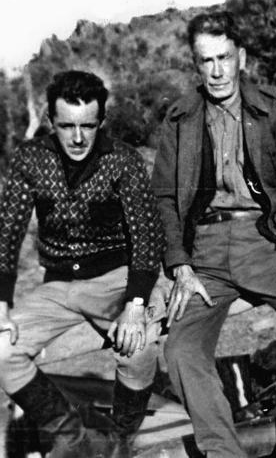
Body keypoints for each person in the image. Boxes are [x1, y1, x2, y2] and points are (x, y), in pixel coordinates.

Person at [151, 11, 276, 458]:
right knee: (181, 351)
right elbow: (163, 198)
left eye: (224, 57)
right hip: (204, 251)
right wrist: (179, 266)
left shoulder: (274, 109)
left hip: (266, 241)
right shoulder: (180, 119)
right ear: (195, 65)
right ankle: (224, 452)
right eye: (206, 61)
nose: (216, 71)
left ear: (241, 57)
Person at [0, 70, 165, 457]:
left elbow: (146, 236)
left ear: (101, 122)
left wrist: (135, 305)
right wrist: (1, 303)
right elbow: (7, 234)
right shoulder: (31, 158)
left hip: (115, 279)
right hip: (56, 286)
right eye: (66, 126)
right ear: (51, 121)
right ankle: (71, 438)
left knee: (139, 349)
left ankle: (119, 441)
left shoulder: (123, 160)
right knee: (1, 350)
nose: (77, 138)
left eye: (87, 126)